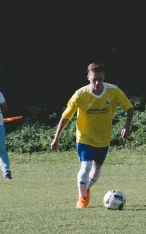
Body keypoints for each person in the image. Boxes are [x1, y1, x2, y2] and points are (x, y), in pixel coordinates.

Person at [51, 62, 134, 208]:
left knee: (96, 171)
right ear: (88, 77)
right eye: (94, 79)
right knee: (86, 166)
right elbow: (66, 117)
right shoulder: (80, 95)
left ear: (104, 77)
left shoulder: (113, 91)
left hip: (103, 138)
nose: (97, 82)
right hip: (84, 136)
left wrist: (127, 126)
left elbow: (129, 108)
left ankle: (86, 188)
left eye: (100, 79)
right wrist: (56, 137)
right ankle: (82, 198)